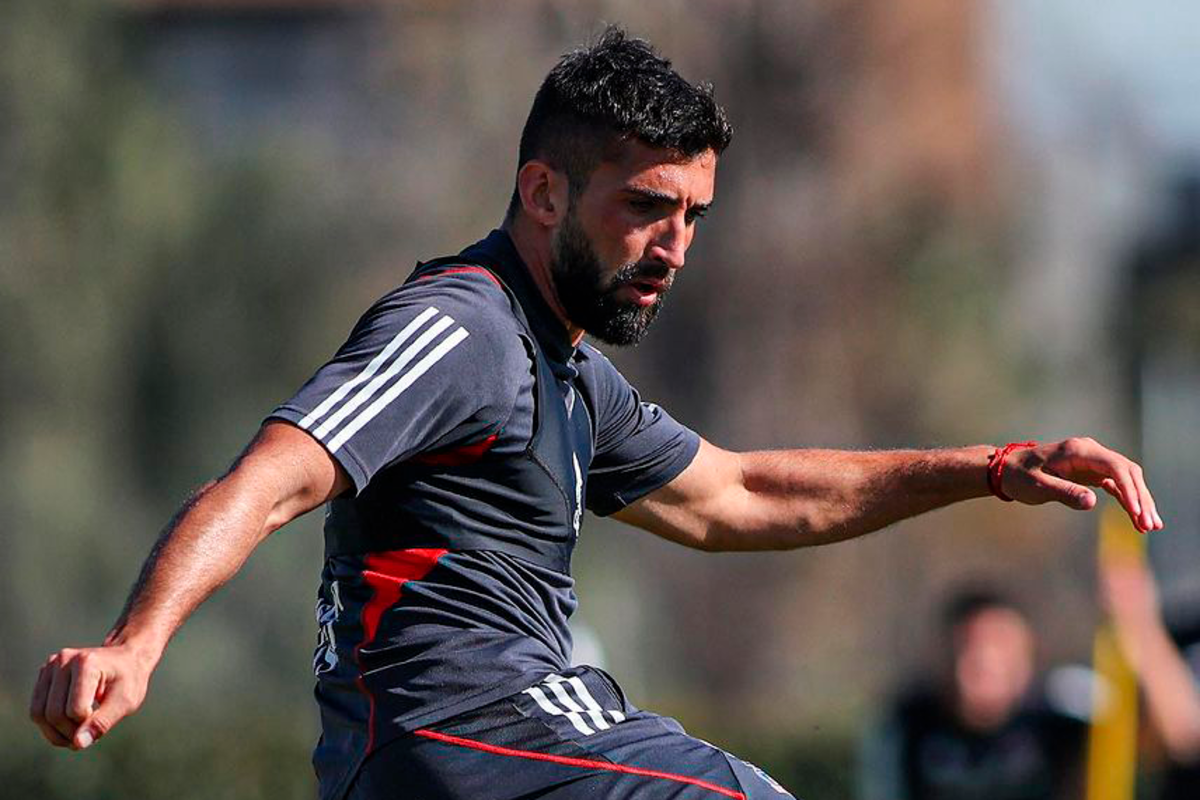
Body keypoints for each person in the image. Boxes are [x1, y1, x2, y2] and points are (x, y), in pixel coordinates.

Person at [30, 27, 1163, 800]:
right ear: (542, 193)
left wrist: (994, 465)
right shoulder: (461, 327)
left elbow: (738, 495)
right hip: (461, 738)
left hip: (510, 745)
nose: (675, 247)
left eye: (695, 216)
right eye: (646, 209)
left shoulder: (570, 368)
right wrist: (139, 640)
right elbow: (269, 475)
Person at [857, 588, 1091, 800]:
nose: (988, 661)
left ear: (1027, 658)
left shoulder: (1063, 722)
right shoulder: (908, 725)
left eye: (1002, 648)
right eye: (974, 648)